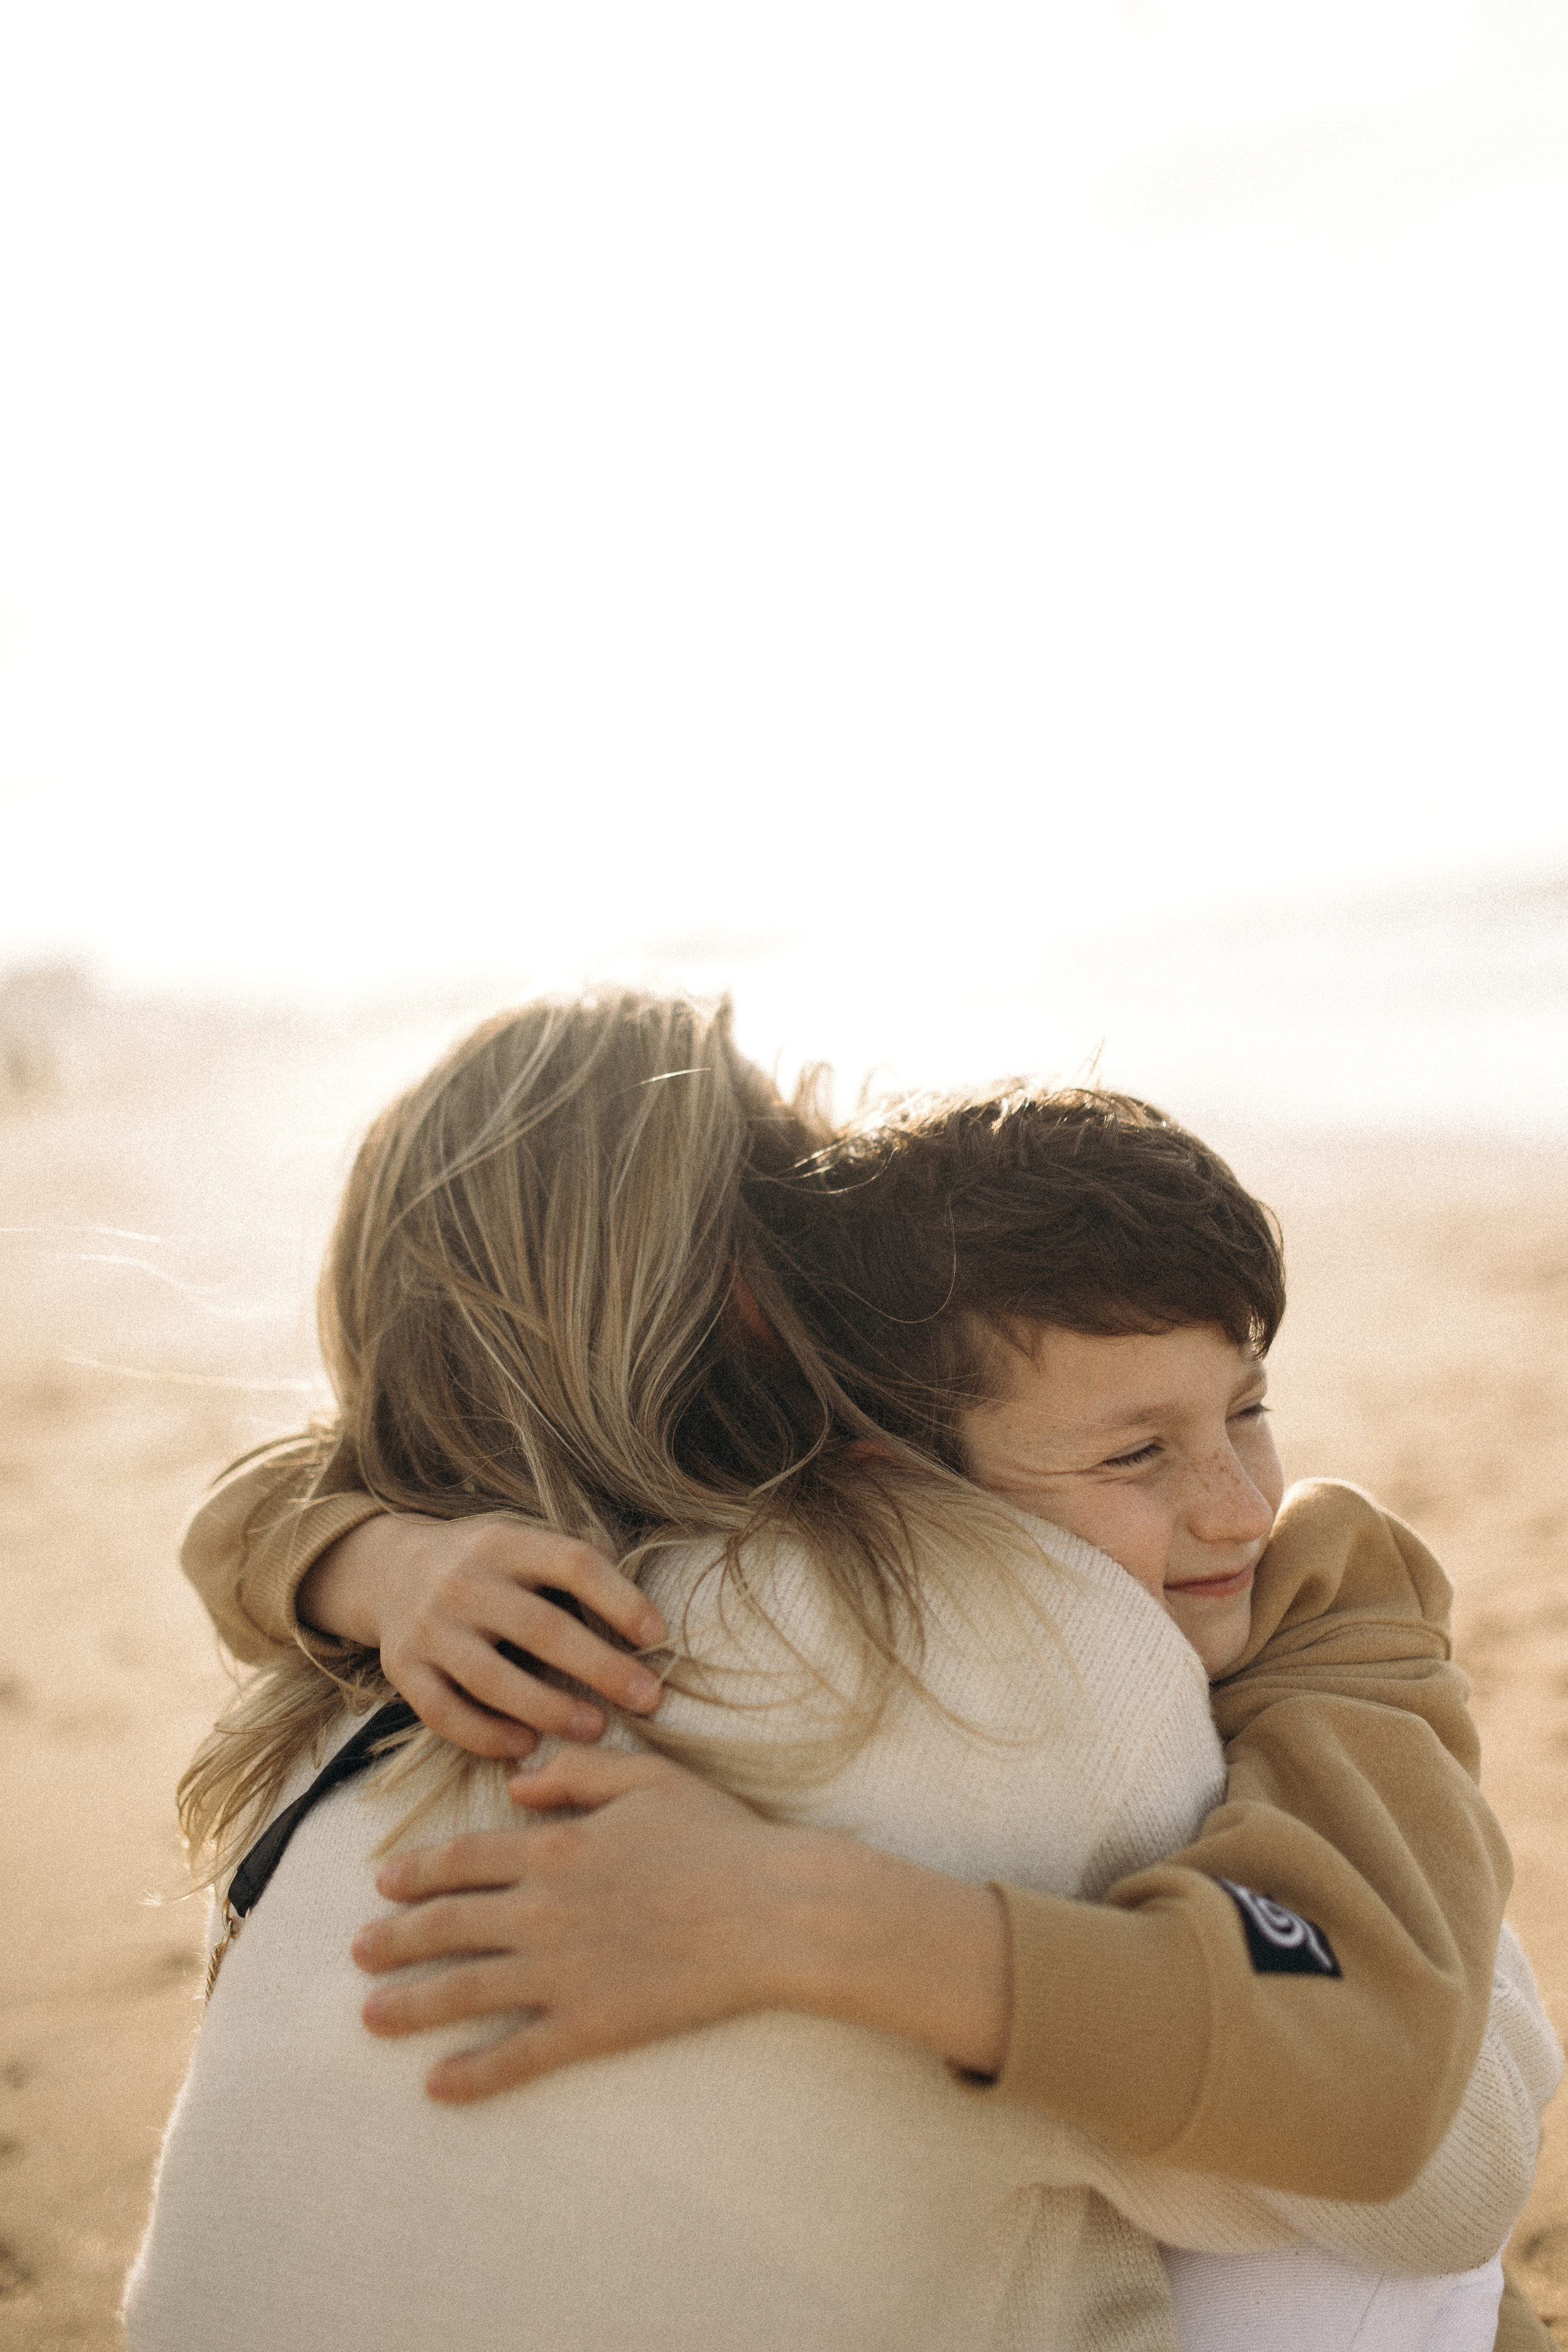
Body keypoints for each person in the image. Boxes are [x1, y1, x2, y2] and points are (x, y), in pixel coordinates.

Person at [133, 995, 1559, 2351]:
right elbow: (1429, 2160)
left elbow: (253, 1508)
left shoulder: (330, 1710)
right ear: (765, 1303)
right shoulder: (971, 1634)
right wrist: (1339, 1645)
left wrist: (344, 1554)